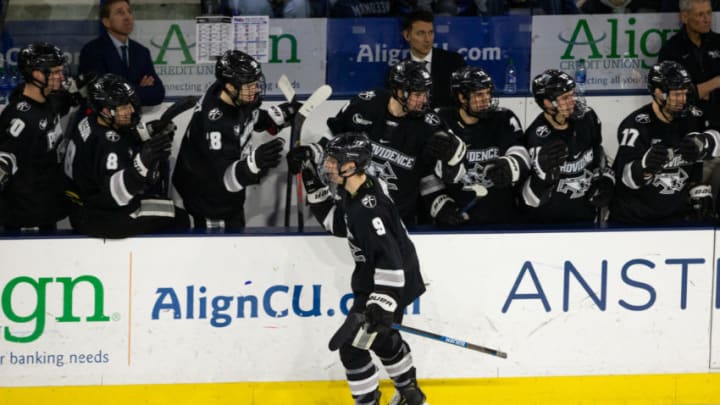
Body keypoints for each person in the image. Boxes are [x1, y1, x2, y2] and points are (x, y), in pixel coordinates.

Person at [293, 132, 429, 405]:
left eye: (334, 160)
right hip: (386, 277)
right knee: (381, 338)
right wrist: (311, 181)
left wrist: (382, 303)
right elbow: (338, 224)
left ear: (351, 166)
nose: (328, 164)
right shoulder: (357, 190)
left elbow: (389, 259)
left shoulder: (368, 209)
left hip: (390, 281)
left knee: (352, 349)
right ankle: (410, 395)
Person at [306, 59, 467, 227]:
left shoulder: (430, 126)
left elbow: (433, 176)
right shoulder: (365, 104)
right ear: (399, 91)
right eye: (417, 95)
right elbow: (332, 138)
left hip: (399, 221)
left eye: (426, 93)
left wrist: (443, 202)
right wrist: (310, 153)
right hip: (353, 212)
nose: (424, 100)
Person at [172, 50, 298, 230]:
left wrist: (279, 116)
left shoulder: (226, 92)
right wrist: (254, 164)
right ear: (230, 87)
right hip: (207, 204)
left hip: (220, 197)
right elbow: (225, 180)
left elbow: (247, 115)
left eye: (255, 83)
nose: (255, 89)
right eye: (249, 85)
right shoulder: (216, 126)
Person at [63, 74, 188, 238]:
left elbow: (119, 135)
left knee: (158, 201)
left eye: (129, 104)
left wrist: (148, 131)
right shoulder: (109, 143)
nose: (130, 110)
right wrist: (142, 165)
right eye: (122, 107)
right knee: (180, 217)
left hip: (82, 206)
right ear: (106, 111)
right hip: (101, 217)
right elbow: (116, 198)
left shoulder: (90, 120)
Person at [610, 61, 720, 225]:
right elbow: (625, 179)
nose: (682, 100)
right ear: (658, 93)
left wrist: (706, 142)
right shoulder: (635, 125)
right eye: (676, 94)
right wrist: (644, 166)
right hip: (633, 220)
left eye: (684, 93)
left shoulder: (693, 117)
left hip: (675, 218)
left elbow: (714, 139)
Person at [435, 66, 530, 225]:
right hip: (461, 217)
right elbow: (427, 170)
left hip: (502, 218)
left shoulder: (503, 117)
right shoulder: (442, 121)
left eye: (488, 93)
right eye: (479, 95)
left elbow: (522, 153)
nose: (486, 100)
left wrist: (511, 164)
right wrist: (439, 204)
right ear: (462, 97)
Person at [521, 69, 615, 224]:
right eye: (565, 98)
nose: (572, 101)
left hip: (585, 218)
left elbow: (599, 154)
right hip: (548, 225)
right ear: (547, 103)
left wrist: (606, 179)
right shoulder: (536, 138)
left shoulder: (588, 118)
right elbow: (528, 196)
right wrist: (541, 177)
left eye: (572, 94)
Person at [0, 42, 74, 231]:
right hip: (25, 216)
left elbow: (63, 102)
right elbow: (4, 164)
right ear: (37, 74)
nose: (61, 76)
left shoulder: (48, 99)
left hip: (47, 205)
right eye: (55, 72)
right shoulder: (21, 119)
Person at [79, 0, 165, 107]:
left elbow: (158, 93)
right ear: (106, 22)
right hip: (100, 122)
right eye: (120, 13)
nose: (127, 17)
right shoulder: (92, 50)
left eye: (129, 12)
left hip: (132, 121)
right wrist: (139, 89)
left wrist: (120, 91)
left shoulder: (142, 52)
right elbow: (100, 94)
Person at [658, 0, 720, 125]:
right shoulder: (670, 50)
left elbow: (689, 92)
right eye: (700, 15)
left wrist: (698, 90)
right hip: (685, 124)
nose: (707, 19)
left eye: (709, 13)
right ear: (685, 17)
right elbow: (673, 97)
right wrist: (716, 82)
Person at [401, 10, 465, 109]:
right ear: (407, 35)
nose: (427, 39)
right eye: (421, 33)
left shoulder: (454, 62)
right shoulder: (399, 72)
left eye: (430, 32)